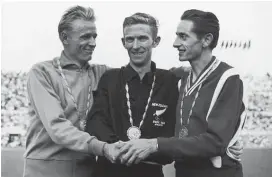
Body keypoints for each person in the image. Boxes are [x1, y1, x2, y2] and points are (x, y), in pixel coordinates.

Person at [117, 9, 246, 177]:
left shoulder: (228, 79)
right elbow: (137, 76)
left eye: (183, 37)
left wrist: (156, 144)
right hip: (183, 171)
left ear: (206, 40)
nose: (175, 43)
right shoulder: (179, 77)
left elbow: (216, 142)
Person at [23, 5, 120, 177]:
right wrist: (102, 148)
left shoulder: (102, 73)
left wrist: (178, 73)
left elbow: (137, 77)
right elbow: (57, 127)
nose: (93, 43)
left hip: (87, 168)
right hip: (45, 170)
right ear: (65, 37)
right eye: (85, 37)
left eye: (94, 36)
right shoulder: (42, 72)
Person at [85, 12, 179, 177]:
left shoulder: (169, 81)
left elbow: (172, 133)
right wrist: (119, 148)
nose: (135, 46)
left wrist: (148, 148)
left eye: (142, 38)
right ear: (123, 42)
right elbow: (95, 122)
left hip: (150, 171)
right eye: (130, 39)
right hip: (108, 170)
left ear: (155, 41)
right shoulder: (110, 78)